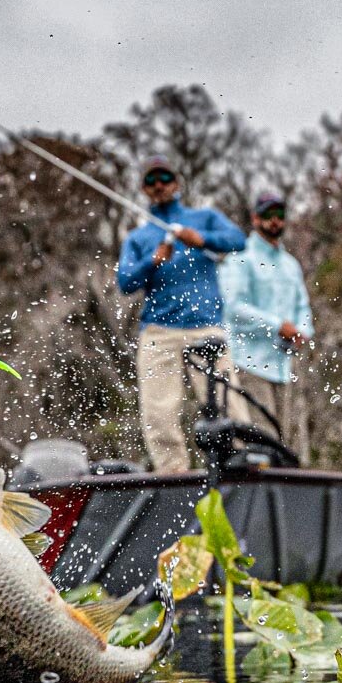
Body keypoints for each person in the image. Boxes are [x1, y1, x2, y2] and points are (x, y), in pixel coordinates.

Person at [116, 155, 248, 473]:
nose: (158, 185)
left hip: (206, 328)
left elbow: (239, 240)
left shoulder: (204, 218)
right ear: (144, 189)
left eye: (164, 178)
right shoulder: (139, 238)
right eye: (151, 180)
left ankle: (241, 469)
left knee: (230, 408)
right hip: (159, 332)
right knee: (159, 414)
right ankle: (172, 477)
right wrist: (153, 261)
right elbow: (125, 282)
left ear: (176, 184)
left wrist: (202, 239)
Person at [218, 191, 313, 460]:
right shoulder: (240, 258)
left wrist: (302, 331)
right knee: (260, 444)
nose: (274, 221)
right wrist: (276, 326)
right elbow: (234, 308)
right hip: (249, 365)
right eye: (268, 214)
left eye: (279, 215)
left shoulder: (291, 264)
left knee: (285, 445)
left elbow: (302, 307)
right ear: (255, 218)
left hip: (283, 368)